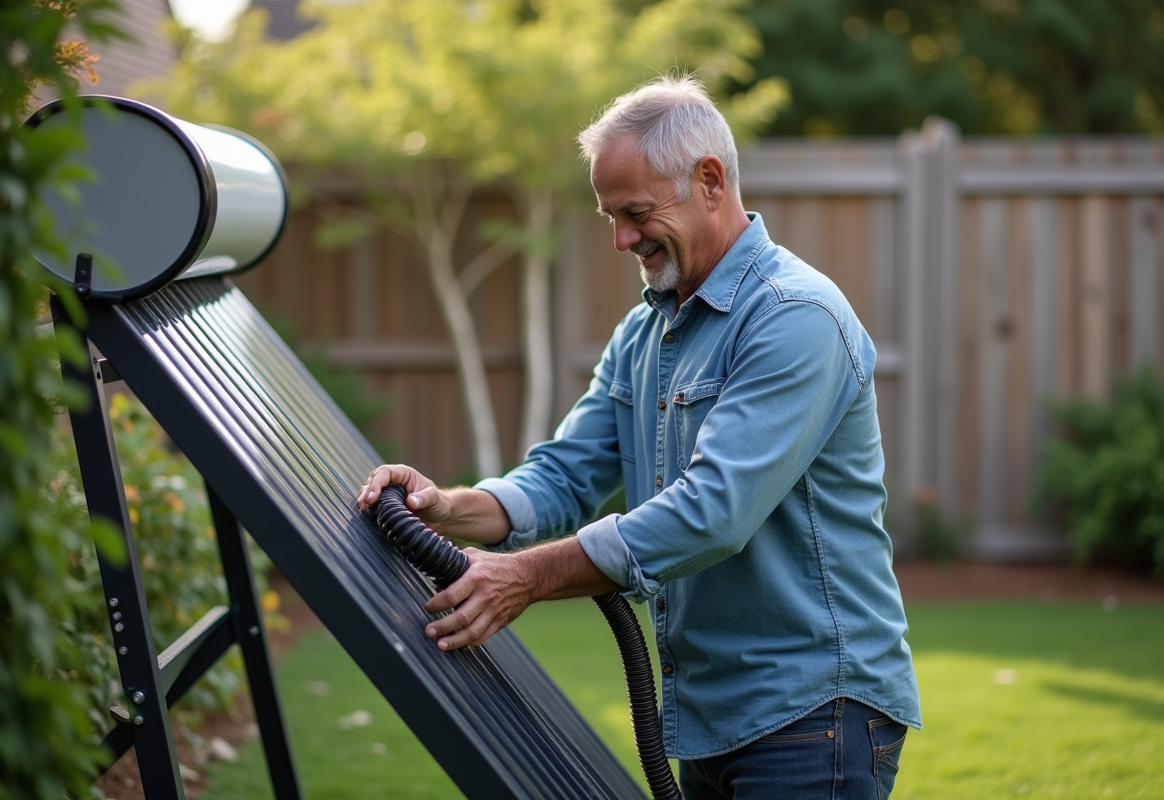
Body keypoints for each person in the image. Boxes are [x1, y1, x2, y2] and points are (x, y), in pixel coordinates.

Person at [359, 74, 920, 799]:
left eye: (636, 212)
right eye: (610, 217)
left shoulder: (794, 317)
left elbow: (713, 512)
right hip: (709, 715)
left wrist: (526, 577)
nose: (622, 239)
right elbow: (565, 474)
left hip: (813, 712)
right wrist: (445, 508)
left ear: (710, 181)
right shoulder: (645, 332)